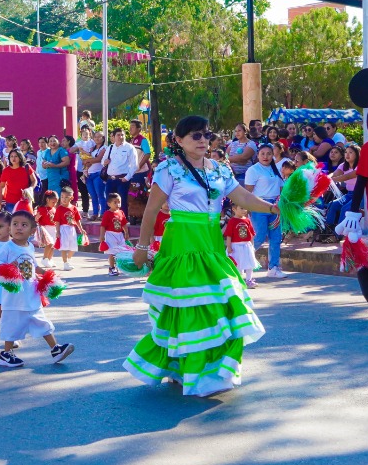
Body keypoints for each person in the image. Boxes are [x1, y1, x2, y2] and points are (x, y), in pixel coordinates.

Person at [123, 115, 278, 395]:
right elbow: (151, 210)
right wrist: (142, 248)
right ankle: (191, 371)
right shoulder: (170, 168)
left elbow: (242, 197)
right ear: (179, 141)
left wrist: (273, 208)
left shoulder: (219, 169)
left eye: (206, 135)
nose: (203, 140)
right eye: (195, 135)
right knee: (190, 307)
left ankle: (206, 369)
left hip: (211, 244)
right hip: (182, 243)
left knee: (222, 302)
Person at [0, 208, 74, 368]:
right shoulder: (7, 248)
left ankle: (56, 349)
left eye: (24, 225)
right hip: (13, 298)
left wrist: (45, 273)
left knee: (43, 322)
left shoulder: (30, 247)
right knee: (11, 327)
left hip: (31, 294)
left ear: (32, 230)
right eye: (15, 224)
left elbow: (32, 266)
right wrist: (8, 267)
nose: (18, 228)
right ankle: (6, 354)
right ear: (10, 228)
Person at [242, 144, 286, 279]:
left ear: (273, 155)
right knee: (259, 236)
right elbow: (247, 192)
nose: (266, 156)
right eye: (262, 153)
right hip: (259, 206)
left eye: (269, 153)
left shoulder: (276, 169)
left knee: (276, 238)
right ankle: (241, 262)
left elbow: (281, 189)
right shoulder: (253, 170)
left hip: (275, 206)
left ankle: (273, 267)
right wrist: (247, 208)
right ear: (258, 155)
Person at [101, 127, 139, 210]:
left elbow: (134, 165)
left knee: (122, 203)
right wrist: (105, 162)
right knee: (109, 202)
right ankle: (110, 221)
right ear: (114, 137)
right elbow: (102, 161)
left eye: (122, 135)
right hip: (110, 179)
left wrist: (127, 178)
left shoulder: (130, 148)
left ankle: (122, 221)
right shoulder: (110, 147)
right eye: (118, 135)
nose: (120, 137)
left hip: (122, 179)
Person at [224, 211, 258, 288]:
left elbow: (251, 234)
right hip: (236, 246)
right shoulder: (232, 221)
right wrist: (229, 246)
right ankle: (238, 281)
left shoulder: (248, 220)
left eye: (245, 208)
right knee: (238, 264)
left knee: (250, 263)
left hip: (246, 245)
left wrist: (252, 246)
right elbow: (229, 235)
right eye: (241, 208)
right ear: (234, 209)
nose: (244, 210)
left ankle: (249, 280)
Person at [55, 188, 81, 271]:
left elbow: (77, 220)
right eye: (62, 197)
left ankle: (68, 260)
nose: (63, 199)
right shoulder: (59, 208)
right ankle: (65, 263)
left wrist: (81, 229)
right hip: (63, 229)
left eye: (66, 197)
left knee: (73, 247)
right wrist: (58, 231)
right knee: (64, 246)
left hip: (72, 229)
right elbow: (57, 221)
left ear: (71, 198)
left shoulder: (74, 208)